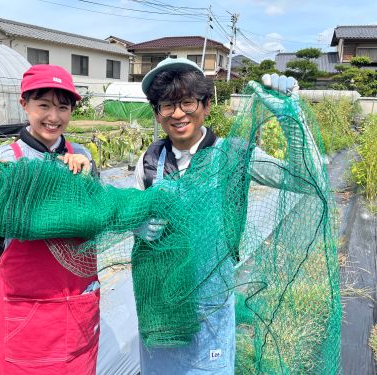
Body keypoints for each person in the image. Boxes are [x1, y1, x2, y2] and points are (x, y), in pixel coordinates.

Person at [132, 57, 323, 374]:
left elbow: (307, 179)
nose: (178, 114)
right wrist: (136, 226)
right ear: (157, 113)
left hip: (211, 305)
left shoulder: (233, 154)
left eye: (187, 102)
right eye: (167, 105)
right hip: (161, 309)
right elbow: (135, 217)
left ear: (206, 105)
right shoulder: (150, 160)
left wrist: (291, 118)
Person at [0, 64, 100, 375]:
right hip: (25, 310)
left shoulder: (82, 157)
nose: (54, 117)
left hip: (77, 302)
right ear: (24, 103)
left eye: (63, 107)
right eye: (44, 105)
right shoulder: (6, 159)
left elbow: (96, 224)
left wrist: (89, 180)